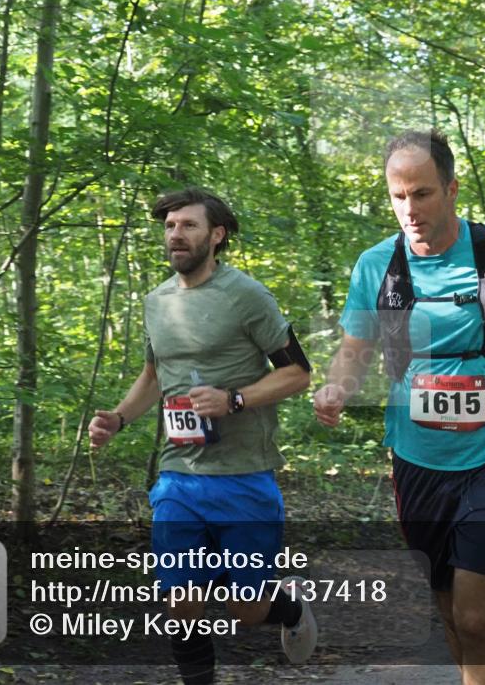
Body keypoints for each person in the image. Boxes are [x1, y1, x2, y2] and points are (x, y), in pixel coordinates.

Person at [312, 129, 485, 685]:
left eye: (423, 194)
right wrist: (337, 388)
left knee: (477, 616)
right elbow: (355, 348)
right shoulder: (375, 265)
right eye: (398, 196)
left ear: (451, 190)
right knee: (451, 611)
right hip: (417, 459)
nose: (410, 209)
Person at [88, 189, 317, 684]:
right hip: (179, 476)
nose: (175, 234)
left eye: (188, 225)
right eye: (170, 226)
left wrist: (234, 399)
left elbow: (298, 373)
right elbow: (154, 375)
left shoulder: (247, 296)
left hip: (243, 475)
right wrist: (119, 418)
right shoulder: (156, 302)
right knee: (181, 600)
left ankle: (288, 608)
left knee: (245, 610)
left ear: (217, 236)